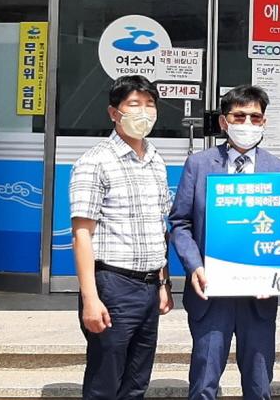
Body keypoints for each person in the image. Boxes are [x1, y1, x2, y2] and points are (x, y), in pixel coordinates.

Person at [169, 85, 280, 400]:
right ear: (224, 122)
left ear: (264, 122)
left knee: (259, 385)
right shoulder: (199, 164)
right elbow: (180, 222)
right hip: (211, 293)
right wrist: (194, 266)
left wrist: (277, 272)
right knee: (204, 384)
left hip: (259, 297)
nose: (247, 123)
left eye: (255, 117)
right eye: (239, 116)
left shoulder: (279, 169)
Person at [70, 75, 174, 400]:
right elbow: (81, 234)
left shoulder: (156, 160)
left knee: (137, 382)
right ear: (114, 113)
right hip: (113, 286)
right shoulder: (95, 161)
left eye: (150, 104)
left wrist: (163, 284)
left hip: (149, 287)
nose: (144, 111)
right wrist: (90, 298)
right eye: (134, 104)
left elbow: (160, 227)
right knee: (105, 383)